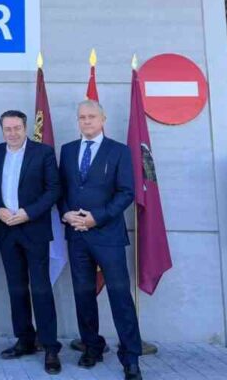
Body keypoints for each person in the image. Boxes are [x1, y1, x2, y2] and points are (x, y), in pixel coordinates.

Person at [59, 100, 143, 380]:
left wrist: (97, 218)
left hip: (108, 236)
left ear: (103, 119)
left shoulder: (118, 151)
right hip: (77, 236)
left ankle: (130, 358)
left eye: (92, 116)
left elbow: (126, 192)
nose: (86, 121)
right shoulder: (67, 150)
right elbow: (61, 189)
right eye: (82, 117)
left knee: (120, 297)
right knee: (83, 294)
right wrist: (66, 213)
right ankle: (91, 347)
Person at [0, 110, 62, 374]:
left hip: (34, 230)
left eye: (17, 128)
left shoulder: (43, 153)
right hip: (7, 230)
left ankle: (50, 346)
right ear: (2, 130)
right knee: (16, 288)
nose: (12, 133)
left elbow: (54, 190)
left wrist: (28, 213)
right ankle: (25, 340)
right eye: (7, 129)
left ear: (25, 128)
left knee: (41, 288)